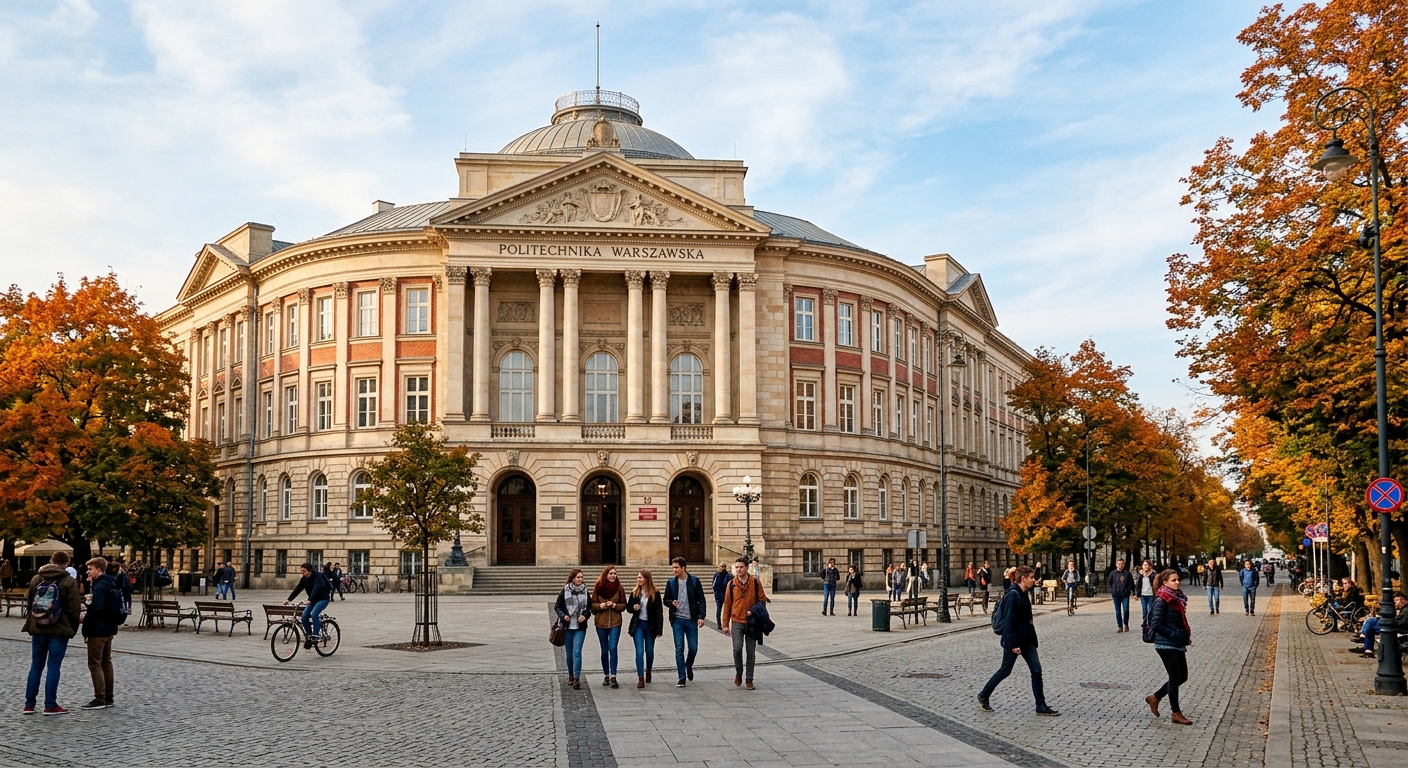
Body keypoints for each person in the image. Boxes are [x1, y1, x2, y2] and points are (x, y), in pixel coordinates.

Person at [977, 565, 1059, 716]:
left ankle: (1040, 705)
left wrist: (1032, 640)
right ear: (1023, 579)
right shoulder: (1013, 595)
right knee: (1005, 670)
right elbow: (1009, 622)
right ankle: (983, 695)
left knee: (1036, 670)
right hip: (1014, 640)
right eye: (1031, 577)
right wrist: (1013, 644)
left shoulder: (1023, 593)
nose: (1033, 580)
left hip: (1026, 640)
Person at [23, 551, 82, 715]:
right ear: (67, 563)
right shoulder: (68, 580)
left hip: (38, 627)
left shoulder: (37, 578)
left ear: (51, 560)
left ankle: (29, 704)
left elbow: (29, 602)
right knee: (53, 666)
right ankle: (50, 705)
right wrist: (71, 627)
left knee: (36, 665)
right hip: (59, 628)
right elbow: (74, 608)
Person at [1145, 569, 1193, 725]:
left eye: (1178, 579)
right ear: (1165, 582)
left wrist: (1181, 636)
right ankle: (1176, 713)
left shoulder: (1176, 598)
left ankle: (1155, 697)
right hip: (1165, 643)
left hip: (1176, 642)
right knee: (1174, 677)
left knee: (1182, 677)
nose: (1177, 582)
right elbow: (1155, 624)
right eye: (1173, 580)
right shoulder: (1162, 600)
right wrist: (1174, 634)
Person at [80, 557, 122, 711]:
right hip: (109, 628)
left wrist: (85, 616)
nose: (87, 572)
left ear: (98, 569)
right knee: (106, 662)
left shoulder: (100, 585)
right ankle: (109, 696)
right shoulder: (110, 582)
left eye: (90, 569)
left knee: (95, 663)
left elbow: (98, 608)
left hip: (98, 629)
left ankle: (100, 698)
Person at [722, 558, 768, 690]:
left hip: (751, 622)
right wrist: (725, 624)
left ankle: (749, 679)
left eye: (741, 567)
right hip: (736, 621)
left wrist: (753, 611)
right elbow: (727, 605)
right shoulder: (731, 584)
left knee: (750, 652)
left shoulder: (755, 582)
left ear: (747, 568)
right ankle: (739, 673)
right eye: (736, 567)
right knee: (737, 649)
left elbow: (762, 600)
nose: (738, 570)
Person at [663, 557, 706, 688]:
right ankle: (681, 677)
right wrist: (671, 603)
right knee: (679, 648)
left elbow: (702, 600)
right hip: (677, 620)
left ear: (683, 568)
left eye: (676, 567)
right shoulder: (671, 583)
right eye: (673, 567)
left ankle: (688, 665)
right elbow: (665, 600)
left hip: (691, 620)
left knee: (693, 648)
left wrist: (701, 616)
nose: (674, 570)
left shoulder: (694, 581)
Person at [626, 570, 663, 687]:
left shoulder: (655, 593)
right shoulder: (635, 593)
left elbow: (659, 612)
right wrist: (634, 607)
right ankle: (640, 677)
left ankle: (648, 671)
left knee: (650, 652)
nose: (638, 579)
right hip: (638, 625)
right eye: (637, 577)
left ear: (646, 579)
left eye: (640, 577)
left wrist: (659, 630)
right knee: (639, 651)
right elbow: (628, 608)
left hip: (650, 626)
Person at [591, 566, 626, 689]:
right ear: (605, 575)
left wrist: (615, 605)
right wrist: (601, 606)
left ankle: (613, 676)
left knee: (613, 648)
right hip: (601, 623)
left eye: (615, 573)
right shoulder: (598, 588)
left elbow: (623, 605)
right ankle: (606, 674)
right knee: (604, 650)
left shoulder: (619, 588)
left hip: (615, 622)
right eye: (610, 573)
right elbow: (592, 606)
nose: (613, 576)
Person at [554, 569, 590, 690]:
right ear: (573, 578)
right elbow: (557, 606)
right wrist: (563, 615)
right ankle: (570, 674)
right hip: (567, 626)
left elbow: (589, 609)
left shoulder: (585, 591)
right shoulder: (565, 590)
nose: (581, 579)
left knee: (577, 652)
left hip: (580, 627)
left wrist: (584, 616)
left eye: (581, 577)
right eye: (578, 577)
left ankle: (576, 678)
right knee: (569, 653)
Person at [284, 563, 331, 649]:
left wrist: (310, 599)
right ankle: (309, 637)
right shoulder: (304, 579)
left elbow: (318, 587)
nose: (302, 573)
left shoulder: (317, 576)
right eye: (301, 571)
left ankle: (315, 636)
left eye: (304, 571)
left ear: (310, 571)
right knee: (304, 616)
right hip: (312, 600)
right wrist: (289, 599)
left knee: (314, 614)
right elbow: (297, 589)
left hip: (323, 599)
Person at [1356, 591, 1408, 658]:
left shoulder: (1406, 610)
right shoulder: (1403, 609)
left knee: (1370, 624)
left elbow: (1402, 623)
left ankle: (1365, 640)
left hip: (1396, 628)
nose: (1395, 603)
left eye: (1397, 600)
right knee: (1370, 621)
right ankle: (1367, 646)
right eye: (1395, 601)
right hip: (1393, 626)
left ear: (1403, 600)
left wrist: (1390, 621)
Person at [1107, 559, 1134, 633]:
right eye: (1119, 564)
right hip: (1115, 595)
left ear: (1124, 564)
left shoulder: (1127, 573)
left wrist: (1131, 591)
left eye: (1122, 564)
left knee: (1126, 610)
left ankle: (1126, 624)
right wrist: (1111, 590)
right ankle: (1120, 626)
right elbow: (1109, 582)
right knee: (1118, 611)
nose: (1120, 565)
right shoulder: (1113, 573)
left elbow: (1131, 583)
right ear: (1116, 564)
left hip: (1125, 594)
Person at [711, 563, 732, 630]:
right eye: (719, 567)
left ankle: (728, 624)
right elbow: (713, 585)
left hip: (726, 596)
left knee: (728, 610)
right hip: (718, 596)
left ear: (725, 567)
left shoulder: (729, 576)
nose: (721, 568)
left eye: (722, 567)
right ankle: (719, 624)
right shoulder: (716, 575)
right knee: (718, 610)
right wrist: (716, 593)